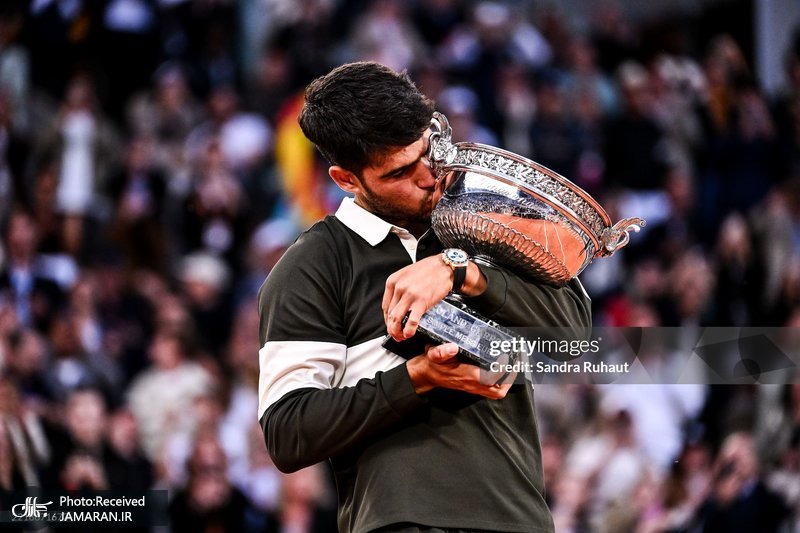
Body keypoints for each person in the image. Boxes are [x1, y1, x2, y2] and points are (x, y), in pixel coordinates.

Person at [257, 61, 591, 533]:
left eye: (428, 153)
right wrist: (418, 378)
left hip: (521, 518)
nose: (428, 177)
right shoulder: (312, 264)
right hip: (399, 521)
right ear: (346, 179)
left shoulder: (488, 217)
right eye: (398, 172)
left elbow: (575, 339)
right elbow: (287, 432)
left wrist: (465, 273)